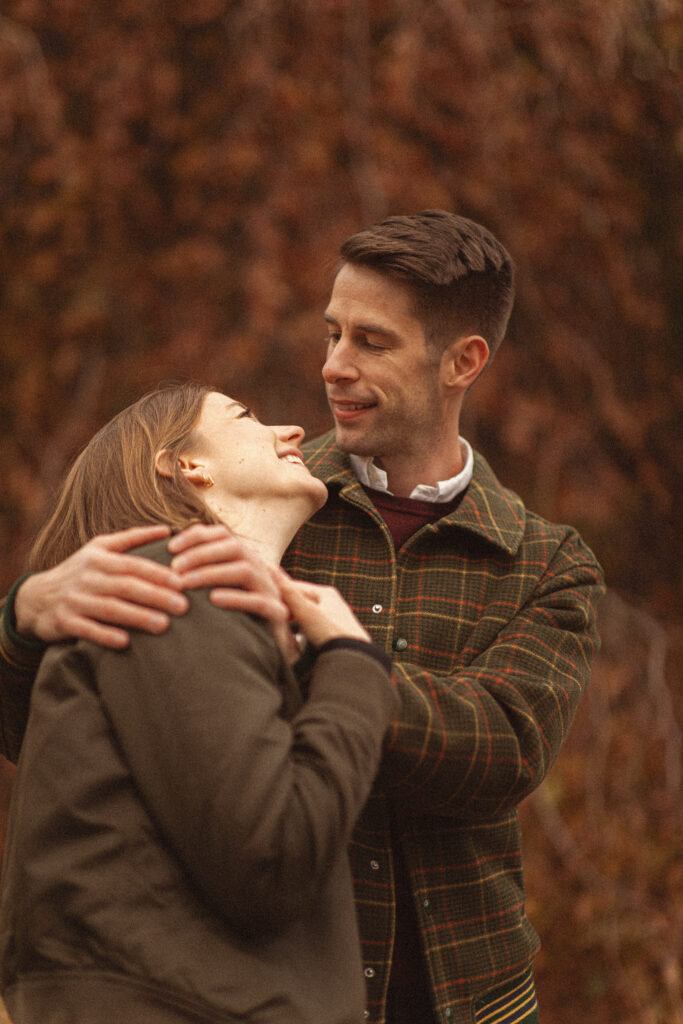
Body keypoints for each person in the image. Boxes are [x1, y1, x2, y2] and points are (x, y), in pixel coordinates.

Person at [0, 211, 605, 1024]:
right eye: (331, 334)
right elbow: (59, 723)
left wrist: (333, 661)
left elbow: (503, 748)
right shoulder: (253, 505)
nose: (332, 368)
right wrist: (21, 615)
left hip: (460, 998)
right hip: (251, 986)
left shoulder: (544, 561)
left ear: (462, 362)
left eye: (371, 343)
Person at [0, 383, 398, 1024]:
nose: (293, 432)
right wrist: (355, 668)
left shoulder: (170, 605)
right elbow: (272, 862)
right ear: (187, 466)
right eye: (246, 416)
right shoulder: (173, 587)